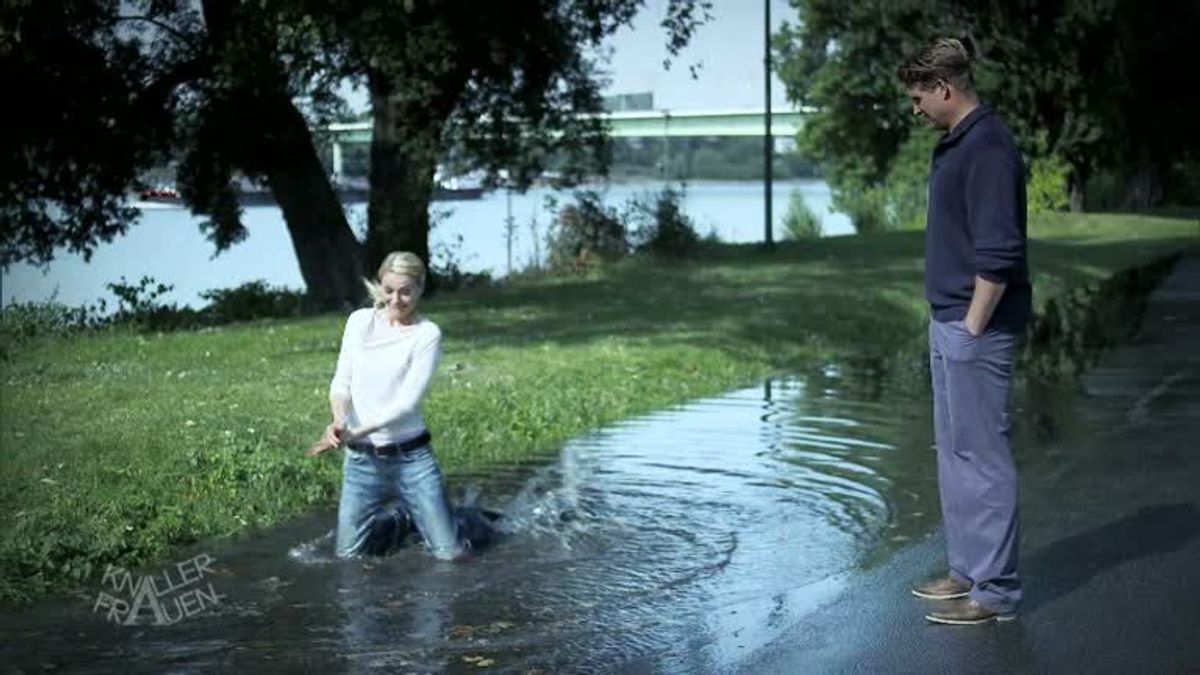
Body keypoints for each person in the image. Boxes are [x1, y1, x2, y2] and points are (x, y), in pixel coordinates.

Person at [897, 37, 1032, 625]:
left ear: (944, 88)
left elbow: (998, 250)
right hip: (948, 320)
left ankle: (995, 591)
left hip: (974, 327)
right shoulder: (957, 144)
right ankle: (966, 572)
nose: (916, 107)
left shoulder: (989, 146)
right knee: (955, 455)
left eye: (919, 96)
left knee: (983, 459)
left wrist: (973, 327)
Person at [308, 251, 477, 560]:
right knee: (347, 559)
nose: (396, 300)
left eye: (405, 291)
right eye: (388, 290)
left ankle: (435, 517)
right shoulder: (359, 322)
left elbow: (405, 404)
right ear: (379, 285)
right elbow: (341, 382)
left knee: (450, 556)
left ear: (419, 289)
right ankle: (404, 519)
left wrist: (354, 432)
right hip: (361, 463)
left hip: (412, 459)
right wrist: (339, 420)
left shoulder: (427, 334)